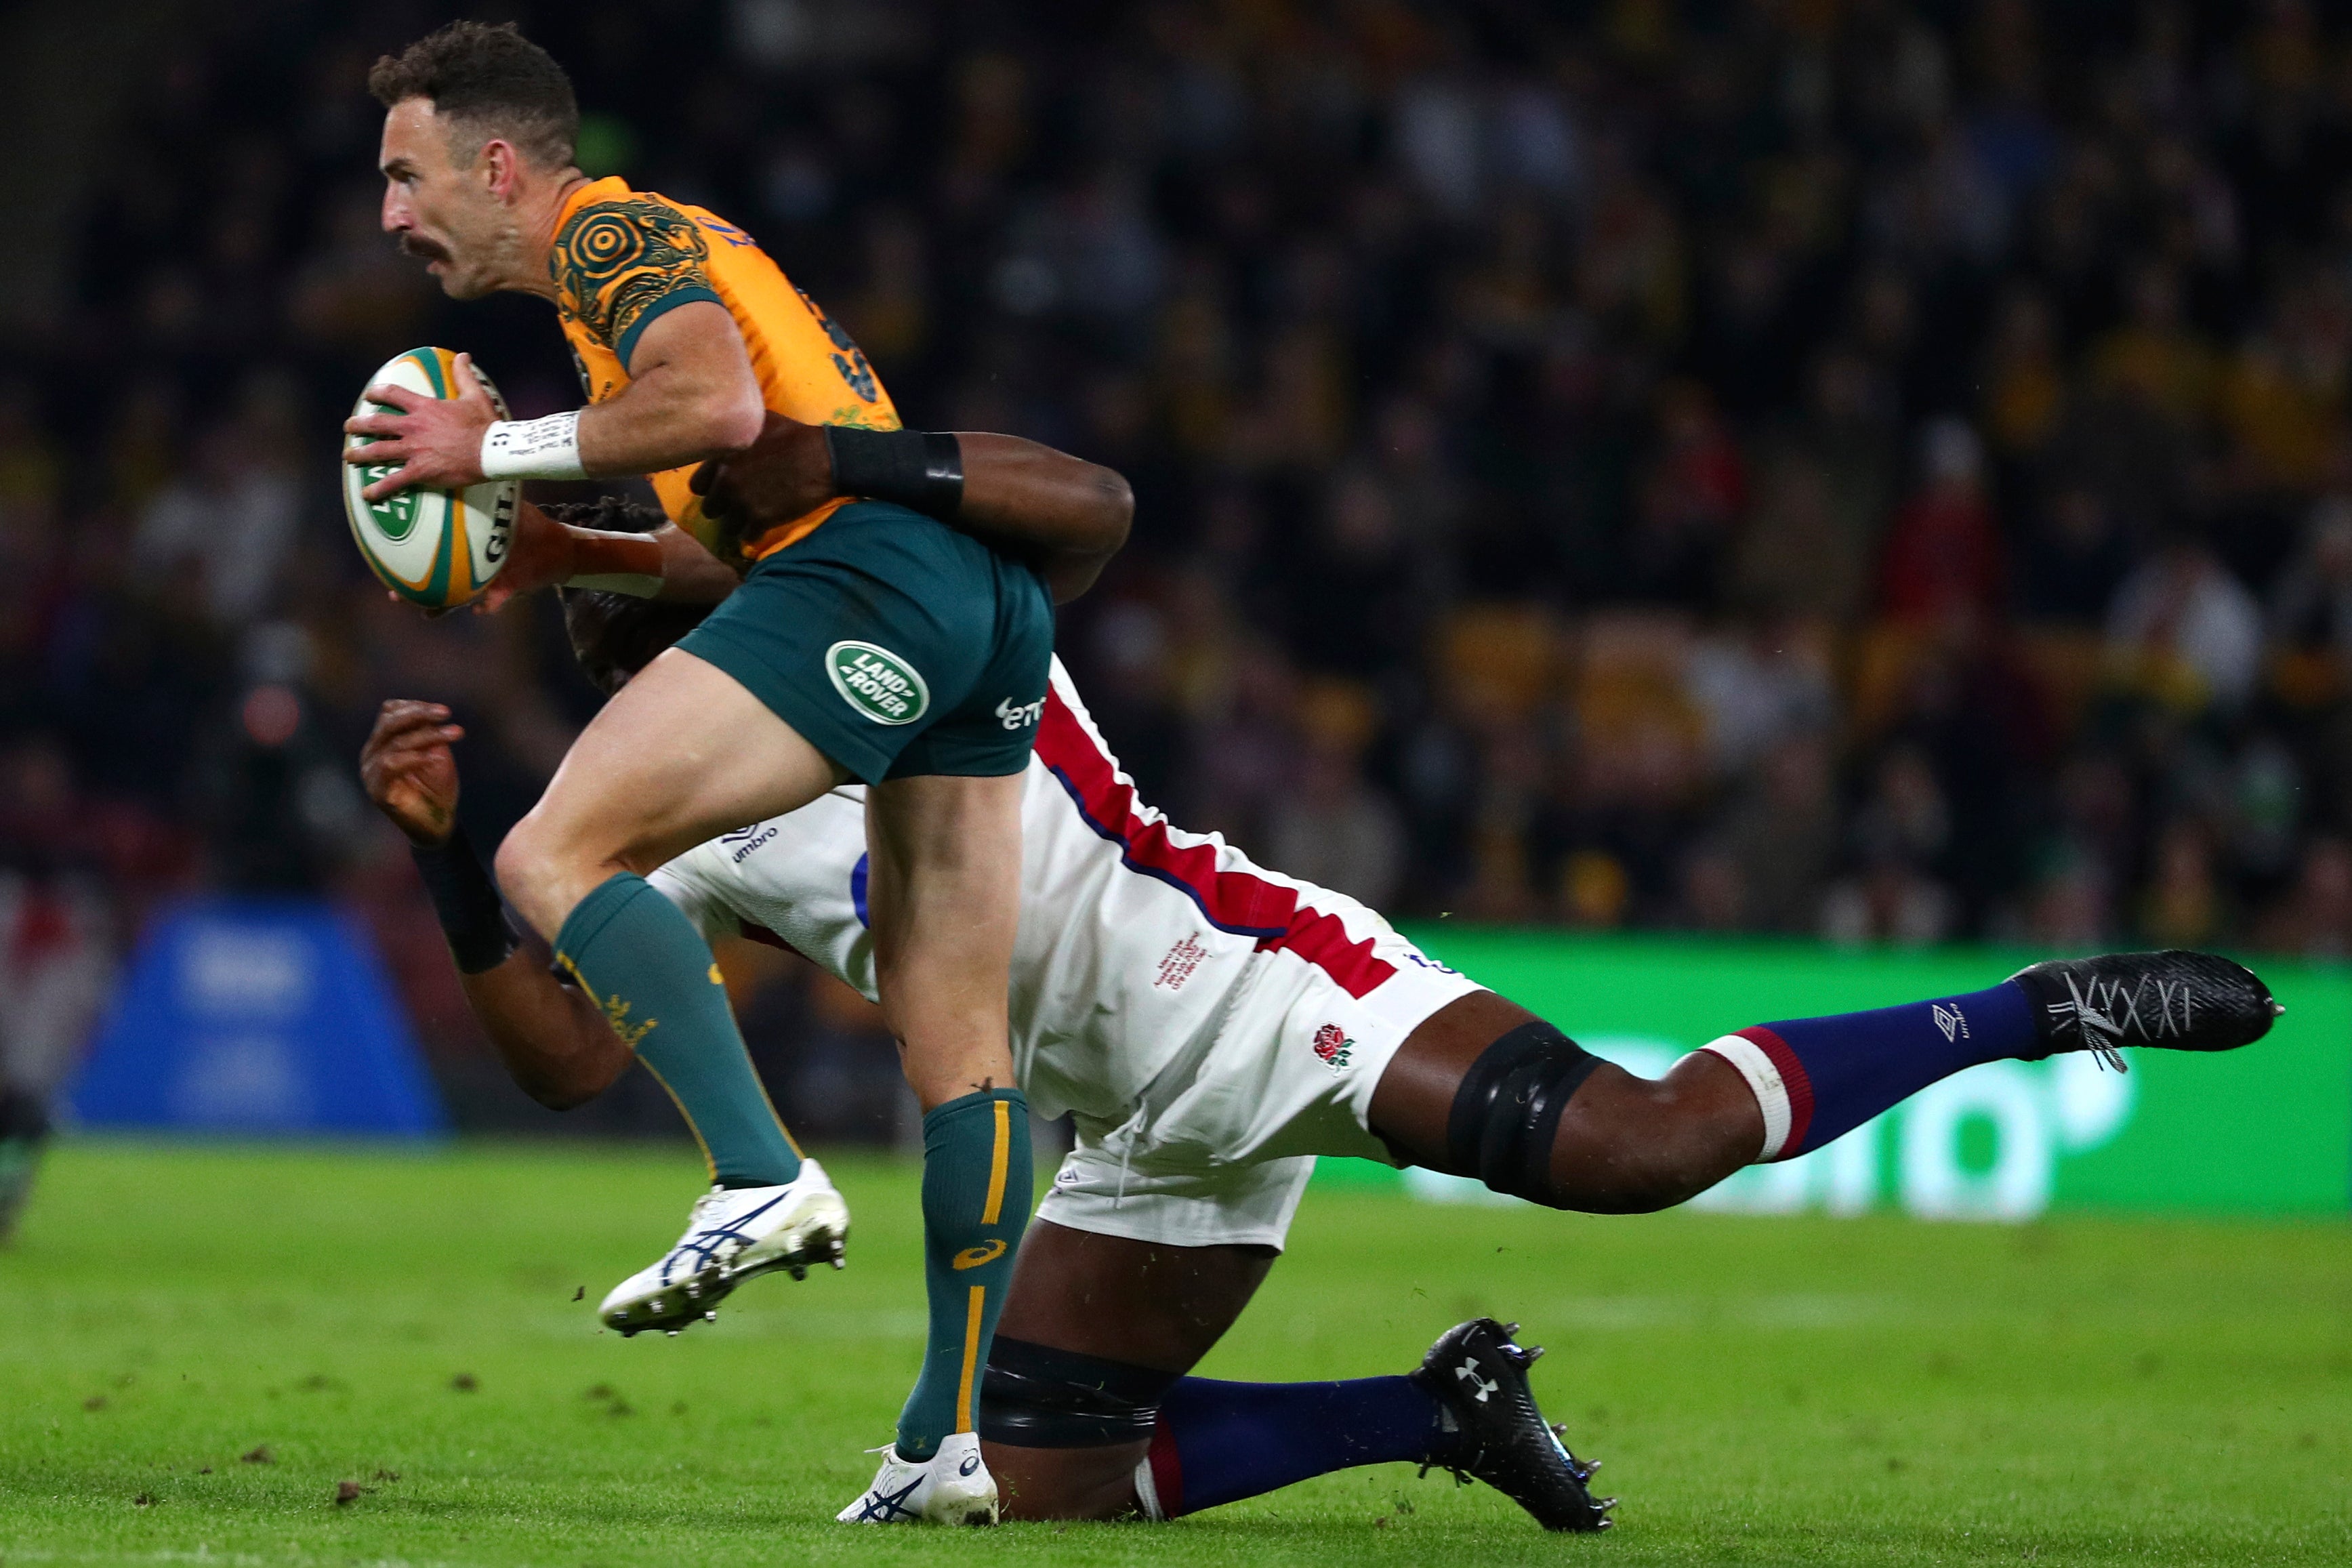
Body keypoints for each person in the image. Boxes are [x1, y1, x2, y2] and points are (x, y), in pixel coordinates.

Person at [360, 529, 2280, 1529]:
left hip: (1264, 991)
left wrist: (575, 535)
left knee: (1635, 1149)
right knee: (1046, 1487)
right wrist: (461, 866)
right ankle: (1432, 1412)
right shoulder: (681, 835)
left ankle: (2042, 1002)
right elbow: (575, 1061)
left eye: (647, 606)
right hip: (1125, 1123)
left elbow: (781, 549)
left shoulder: (901, 626)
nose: (617, 646)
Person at [342, 22, 1125, 1523]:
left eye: (405, 173)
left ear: (497, 166)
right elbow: (729, 524)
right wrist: (567, 548)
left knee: (549, 855)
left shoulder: (611, 234)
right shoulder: (660, 266)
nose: (389, 212)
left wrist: (486, 454)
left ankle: (757, 1174)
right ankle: (943, 1444)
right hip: (980, 603)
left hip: (871, 578)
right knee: (959, 1039)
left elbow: (714, 414)